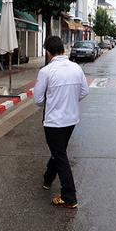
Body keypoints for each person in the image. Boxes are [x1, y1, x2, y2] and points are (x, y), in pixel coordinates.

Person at [34, 36, 89, 209]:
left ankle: (69, 196)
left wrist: (52, 102)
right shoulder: (76, 68)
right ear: (63, 50)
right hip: (71, 119)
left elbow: (37, 99)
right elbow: (84, 92)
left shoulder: (46, 71)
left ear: (48, 52)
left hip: (53, 122)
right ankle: (48, 179)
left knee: (60, 155)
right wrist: (70, 101)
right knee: (59, 151)